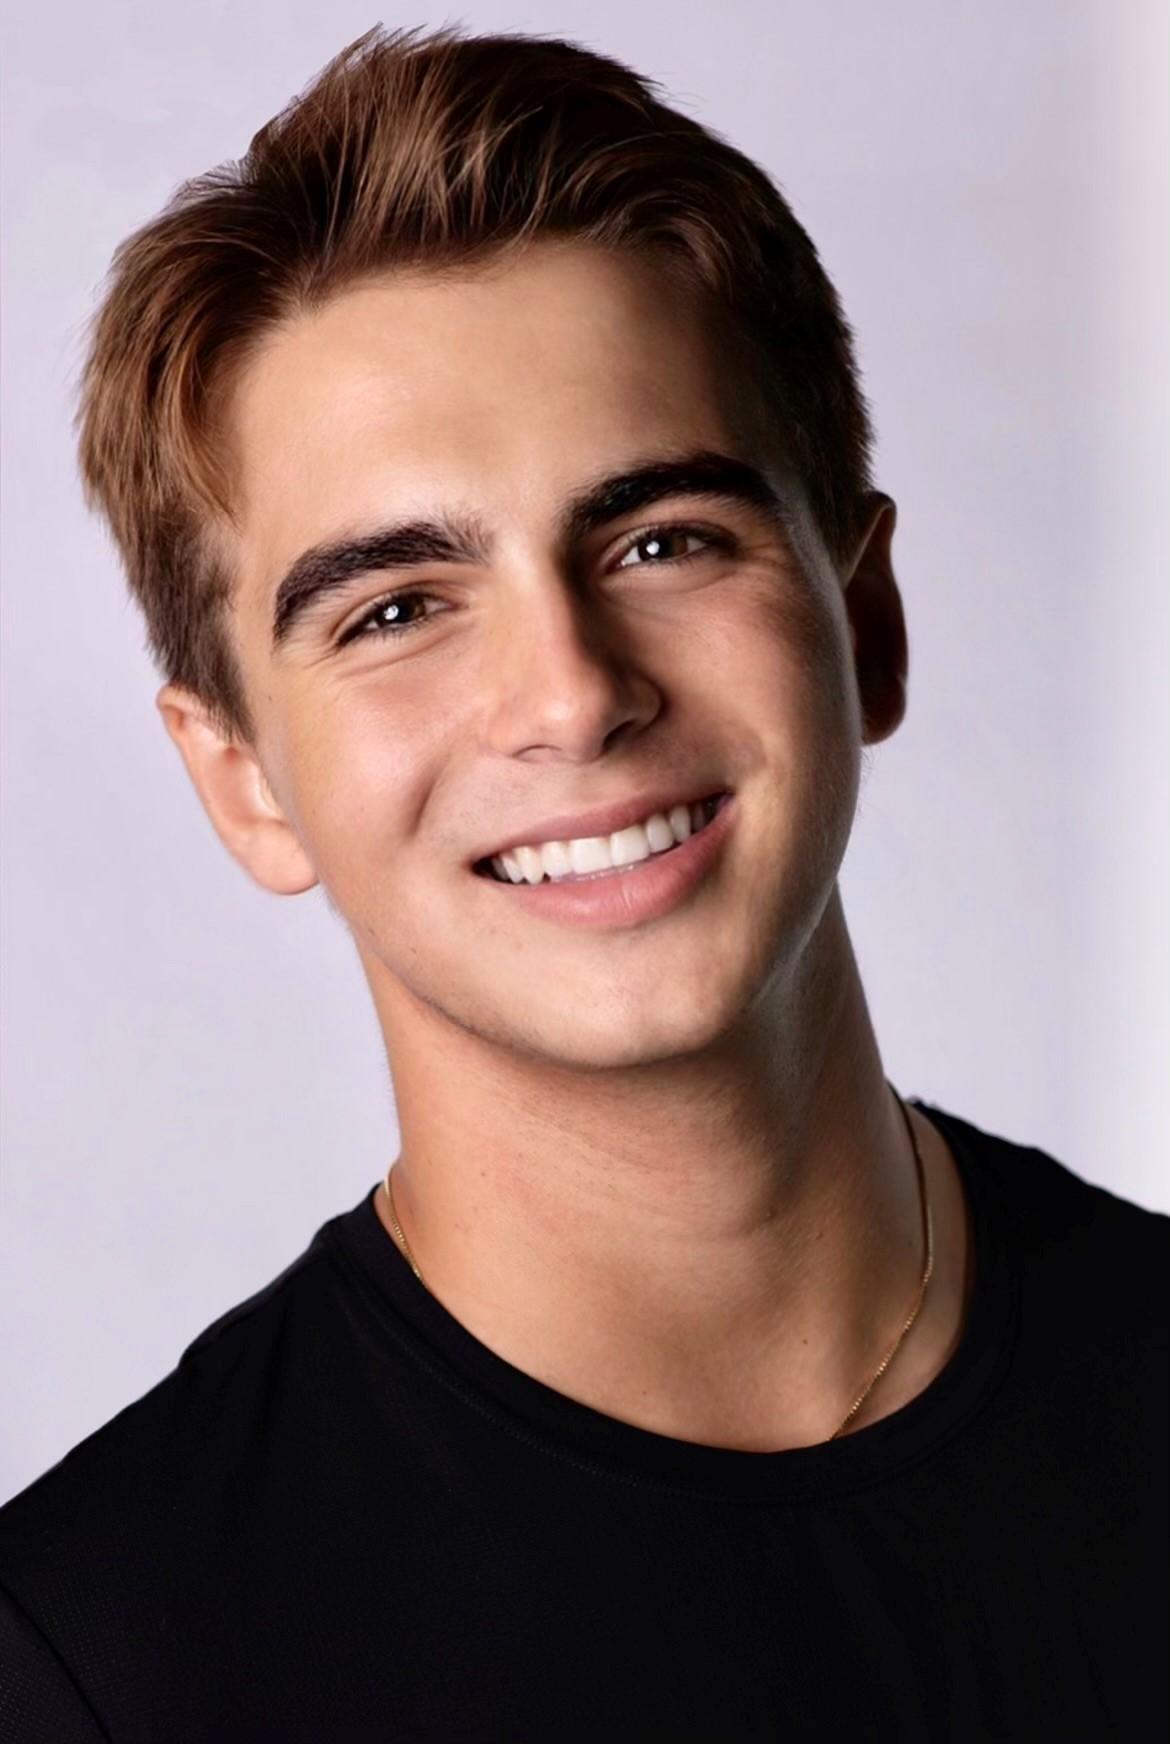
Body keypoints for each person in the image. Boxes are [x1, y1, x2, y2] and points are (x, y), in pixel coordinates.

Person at [0, 23, 1164, 1741]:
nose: (569, 694)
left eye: (660, 540)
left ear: (863, 620)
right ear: (241, 778)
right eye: (396, 608)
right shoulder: (95, 1664)